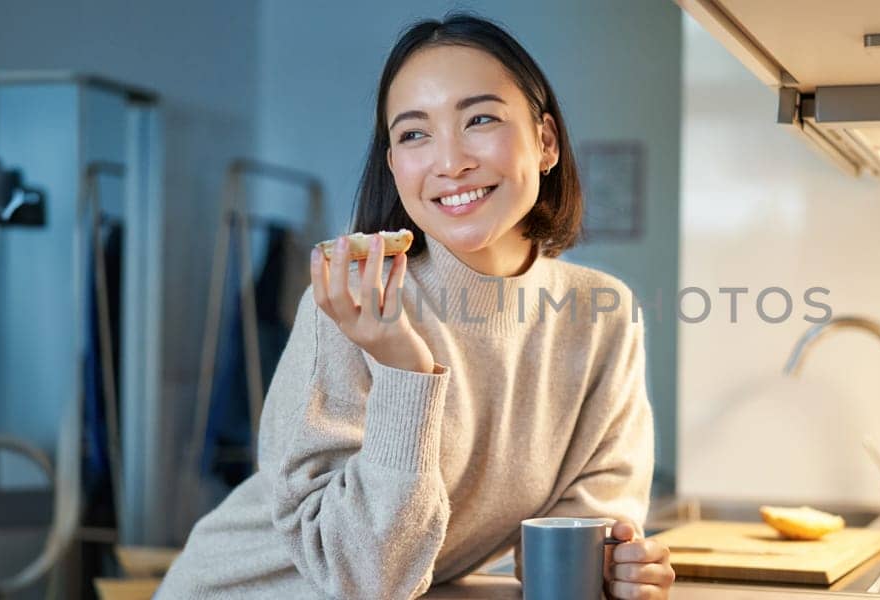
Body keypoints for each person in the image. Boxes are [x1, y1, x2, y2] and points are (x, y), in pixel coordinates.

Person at [159, 13, 675, 599]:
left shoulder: (600, 313)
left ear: (546, 142)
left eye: (479, 119)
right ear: (394, 168)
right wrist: (404, 370)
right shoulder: (354, 304)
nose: (449, 161)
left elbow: (587, 518)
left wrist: (612, 563)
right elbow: (367, 577)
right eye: (413, 134)